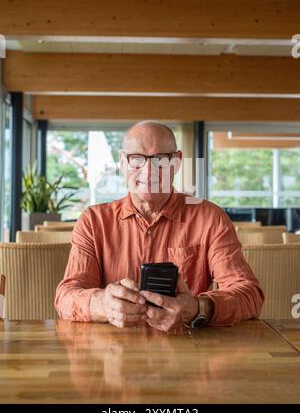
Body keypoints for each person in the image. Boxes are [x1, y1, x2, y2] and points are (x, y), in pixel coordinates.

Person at [55, 121, 264, 331]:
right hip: (113, 353)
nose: (148, 172)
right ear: (122, 161)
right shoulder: (93, 221)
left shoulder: (210, 218)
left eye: (160, 160)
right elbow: (66, 296)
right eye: (137, 159)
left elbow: (250, 294)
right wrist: (102, 304)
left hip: (188, 350)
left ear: (177, 162)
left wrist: (198, 307)